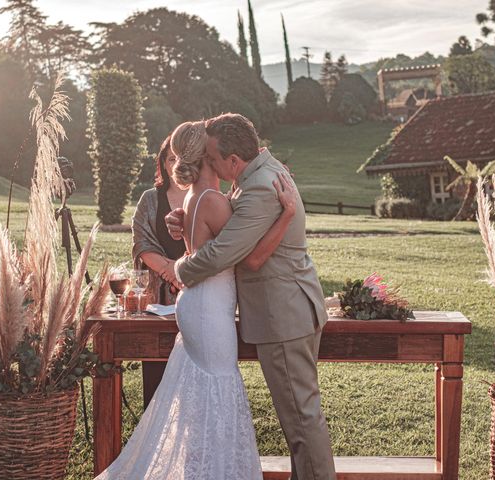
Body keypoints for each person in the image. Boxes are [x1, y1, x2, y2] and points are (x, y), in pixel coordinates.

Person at [94, 120, 298, 480]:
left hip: (197, 304)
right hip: (208, 311)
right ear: (208, 155)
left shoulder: (193, 198)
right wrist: (287, 215)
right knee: (215, 396)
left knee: (201, 400)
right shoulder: (215, 202)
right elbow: (249, 255)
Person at [167, 113, 336, 480]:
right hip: (286, 309)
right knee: (299, 421)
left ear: (232, 160)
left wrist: (179, 270)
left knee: (302, 420)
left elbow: (229, 254)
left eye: (212, 160)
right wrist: (189, 223)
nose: (208, 166)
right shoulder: (256, 174)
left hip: (283, 314)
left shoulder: (259, 186)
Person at [132, 135, 186, 305]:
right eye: (172, 159)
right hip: (158, 295)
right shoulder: (149, 199)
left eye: (183, 158)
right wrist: (171, 272)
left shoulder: (206, 198)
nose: (178, 164)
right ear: (163, 163)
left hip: (199, 287)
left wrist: (182, 271)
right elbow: (142, 244)